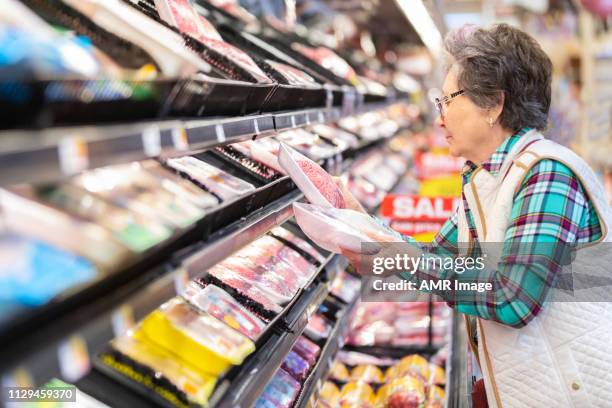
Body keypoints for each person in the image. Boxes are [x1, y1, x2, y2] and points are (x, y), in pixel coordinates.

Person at [337, 24, 612, 408]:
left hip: (573, 391)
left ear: (493, 105)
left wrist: (389, 255)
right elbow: (438, 257)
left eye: (447, 100)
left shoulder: (547, 174)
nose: (440, 118)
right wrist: (359, 229)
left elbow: (511, 298)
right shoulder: (486, 178)